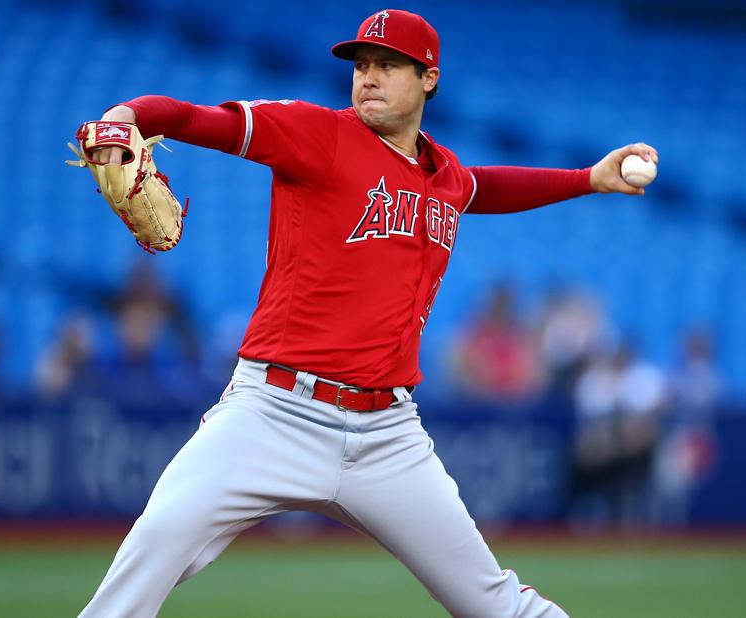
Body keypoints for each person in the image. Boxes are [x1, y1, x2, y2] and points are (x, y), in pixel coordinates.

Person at [78, 10, 657, 617]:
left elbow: (486, 187)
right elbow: (205, 120)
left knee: (495, 604)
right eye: (360, 66)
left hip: (388, 437)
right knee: (148, 556)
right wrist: (131, 116)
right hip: (273, 412)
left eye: (387, 65)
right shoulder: (315, 133)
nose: (368, 78)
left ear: (428, 78)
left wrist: (588, 178)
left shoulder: (444, 176)